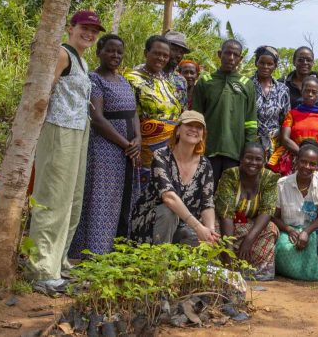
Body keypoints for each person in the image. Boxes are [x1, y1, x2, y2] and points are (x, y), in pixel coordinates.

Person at [27, 11, 103, 294]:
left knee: (72, 200)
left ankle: (58, 262)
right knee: (52, 198)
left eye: (94, 30)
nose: (90, 34)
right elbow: (44, 90)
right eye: (85, 27)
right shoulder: (62, 53)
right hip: (59, 128)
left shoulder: (81, 59)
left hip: (78, 130)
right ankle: (42, 269)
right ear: (71, 28)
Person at [69, 34, 141, 259]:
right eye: (110, 51)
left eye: (119, 52)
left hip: (129, 149)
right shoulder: (94, 80)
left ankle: (117, 250)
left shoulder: (124, 81)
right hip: (105, 149)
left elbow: (134, 112)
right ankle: (95, 252)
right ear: (99, 52)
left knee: (126, 197)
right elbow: (97, 119)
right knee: (102, 198)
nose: (115, 56)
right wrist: (126, 144)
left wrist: (138, 139)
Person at [130, 111, 219, 246]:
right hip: (151, 222)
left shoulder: (205, 165)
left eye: (199, 127)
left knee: (204, 237)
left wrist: (210, 231)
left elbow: (207, 203)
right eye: (189, 124)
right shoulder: (161, 156)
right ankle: (160, 264)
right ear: (177, 131)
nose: (194, 129)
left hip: (184, 224)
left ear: (202, 135)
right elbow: (168, 197)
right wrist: (198, 227)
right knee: (169, 211)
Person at [192, 39, 257, 185]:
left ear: (240, 59)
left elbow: (251, 121)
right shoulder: (205, 82)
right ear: (220, 54)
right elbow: (196, 118)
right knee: (206, 192)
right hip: (208, 150)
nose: (231, 58)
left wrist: (248, 151)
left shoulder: (247, 84)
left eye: (236, 55)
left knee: (229, 196)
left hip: (235, 151)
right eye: (228, 53)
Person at [215, 142, 280, 280]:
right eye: (249, 158)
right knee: (211, 229)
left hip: (250, 228)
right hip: (226, 228)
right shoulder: (230, 176)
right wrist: (229, 251)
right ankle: (224, 266)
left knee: (271, 228)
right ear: (241, 159)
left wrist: (249, 240)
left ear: (264, 160)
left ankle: (253, 272)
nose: (253, 163)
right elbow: (226, 213)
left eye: (258, 159)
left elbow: (268, 210)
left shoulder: (270, 178)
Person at [126, 35, 183, 188]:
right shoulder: (132, 79)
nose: (161, 58)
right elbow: (130, 115)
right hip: (143, 148)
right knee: (142, 191)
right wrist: (134, 145)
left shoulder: (168, 82)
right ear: (146, 53)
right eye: (157, 53)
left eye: (165, 55)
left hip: (169, 149)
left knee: (164, 193)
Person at [272, 140, 318, 281]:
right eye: (303, 162)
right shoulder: (282, 184)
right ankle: (292, 272)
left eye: (312, 164)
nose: (307, 167)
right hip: (288, 231)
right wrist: (289, 230)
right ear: (296, 162)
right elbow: (274, 217)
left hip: (311, 230)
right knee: (285, 248)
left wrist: (306, 232)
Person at [269, 77, 318, 176]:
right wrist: (303, 154)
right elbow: (285, 139)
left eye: (314, 92)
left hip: (317, 160)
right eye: (307, 91)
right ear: (302, 92)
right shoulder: (292, 114)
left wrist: (312, 155)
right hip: (295, 158)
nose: (310, 94)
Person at [252, 46, 291, 163]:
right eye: (262, 63)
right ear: (256, 63)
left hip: (275, 146)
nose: (265, 67)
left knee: (273, 179)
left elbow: (286, 119)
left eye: (270, 64)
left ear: (275, 66)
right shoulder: (247, 86)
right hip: (251, 145)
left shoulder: (282, 89)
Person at [163, 30, 191, 110]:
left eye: (181, 52)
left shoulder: (181, 81)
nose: (178, 55)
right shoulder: (143, 73)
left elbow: (183, 111)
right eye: (174, 49)